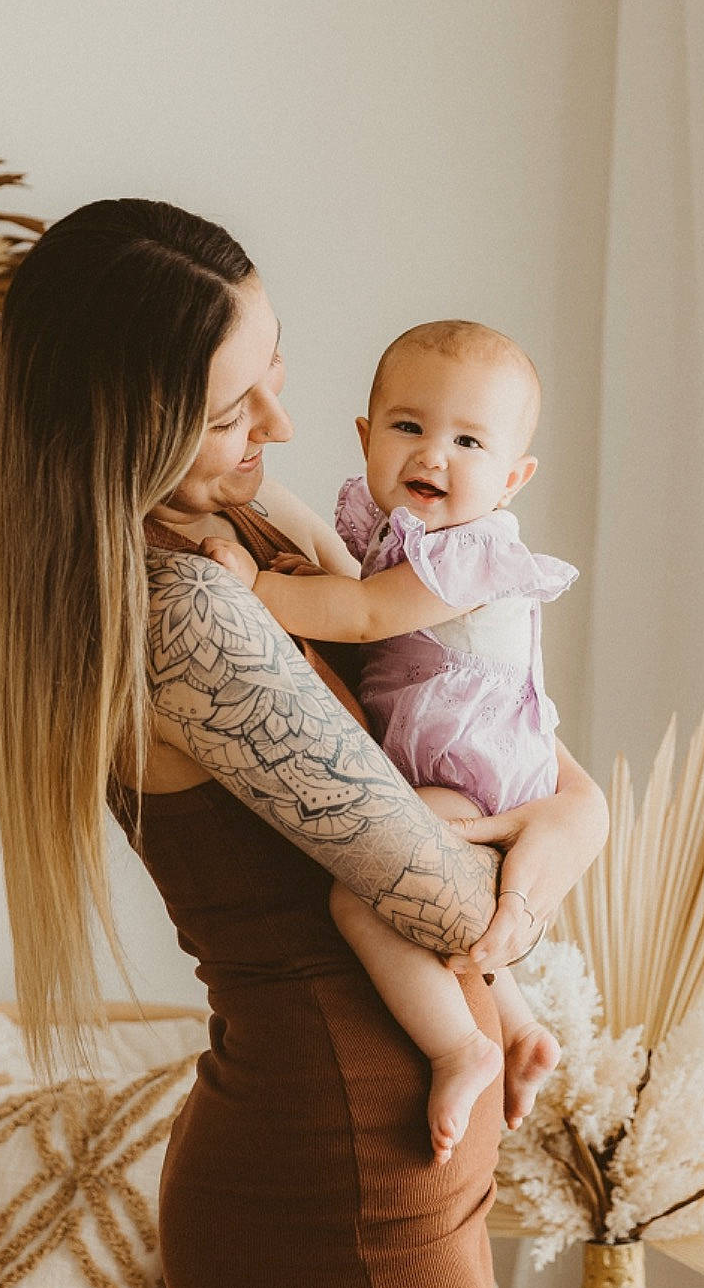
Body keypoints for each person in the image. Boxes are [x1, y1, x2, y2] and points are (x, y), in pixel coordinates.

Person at [0, 200, 609, 1288]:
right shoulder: (186, 615)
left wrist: (572, 812)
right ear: (130, 431)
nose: (277, 416)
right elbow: (437, 887)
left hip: (368, 1180)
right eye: (226, 410)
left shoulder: (247, 537)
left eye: (272, 365)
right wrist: (566, 837)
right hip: (345, 1212)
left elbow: (488, 733)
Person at [200, 319, 573, 1169]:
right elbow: (358, 597)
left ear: (512, 479)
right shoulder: (393, 529)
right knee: (452, 903)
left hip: (470, 767)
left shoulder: (474, 552)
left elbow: (365, 615)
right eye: (408, 426)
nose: (432, 454)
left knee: (361, 900)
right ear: (367, 437)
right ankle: (517, 1028)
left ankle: (459, 1048)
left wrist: (255, 587)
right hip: (444, 753)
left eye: (468, 441)